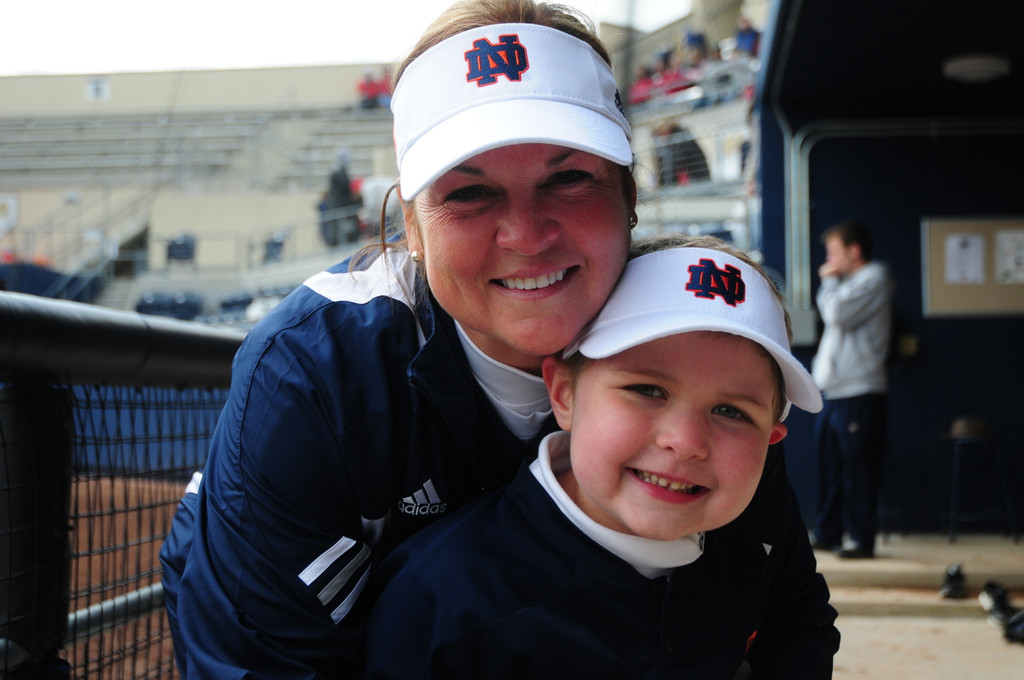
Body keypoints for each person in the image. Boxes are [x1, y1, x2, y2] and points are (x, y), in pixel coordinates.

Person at [159, 1, 832, 677]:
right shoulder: (312, 371)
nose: (526, 235)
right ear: (411, 227)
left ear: (629, 199)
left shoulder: (702, 344)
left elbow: (788, 618)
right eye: (469, 193)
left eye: (568, 179)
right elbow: (258, 662)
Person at [363, 235, 839, 679]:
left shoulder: (752, 555)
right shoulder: (440, 596)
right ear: (564, 394)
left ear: (771, 439)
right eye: (647, 390)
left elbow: (802, 631)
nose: (685, 441)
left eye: (731, 412)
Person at [809, 220, 893, 559]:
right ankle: (828, 532)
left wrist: (828, 283)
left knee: (859, 470)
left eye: (833, 252)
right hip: (835, 392)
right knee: (830, 467)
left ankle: (860, 539)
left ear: (854, 250)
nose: (828, 260)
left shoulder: (874, 277)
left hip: (860, 392)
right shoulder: (849, 284)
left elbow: (837, 315)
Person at [321, 148, 362, 246]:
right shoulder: (338, 173)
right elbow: (343, 190)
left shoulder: (341, 172)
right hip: (340, 208)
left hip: (341, 207)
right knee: (341, 233)